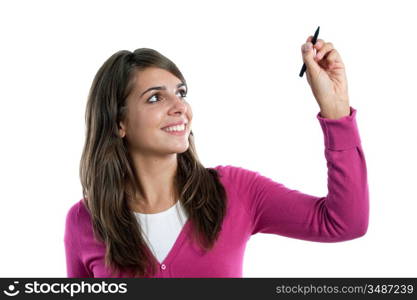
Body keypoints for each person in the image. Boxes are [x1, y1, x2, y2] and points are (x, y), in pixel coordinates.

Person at [64, 36, 369, 278]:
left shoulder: (234, 191)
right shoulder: (84, 221)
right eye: (155, 97)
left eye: (181, 93)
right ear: (119, 123)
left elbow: (345, 222)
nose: (179, 106)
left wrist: (336, 110)